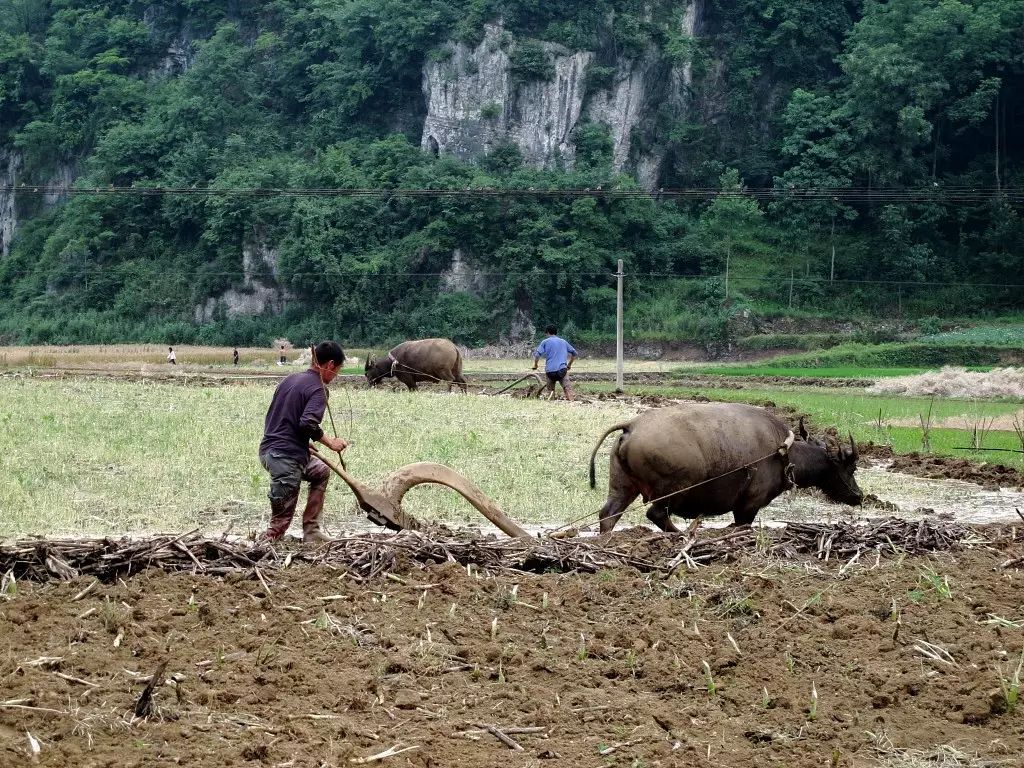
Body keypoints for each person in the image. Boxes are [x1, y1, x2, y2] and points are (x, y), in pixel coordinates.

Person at [258, 340, 349, 544]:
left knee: (321, 471)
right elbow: (307, 423)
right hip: (285, 458)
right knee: (279, 525)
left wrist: (300, 441)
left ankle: (312, 530)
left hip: (269, 451)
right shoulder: (319, 389)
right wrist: (330, 442)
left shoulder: (290, 380)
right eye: (338, 370)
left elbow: (279, 416)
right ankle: (261, 551)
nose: (335, 377)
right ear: (330, 365)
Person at [532, 325, 577, 401]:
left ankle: (551, 400)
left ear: (548, 333)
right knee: (567, 388)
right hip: (562, 370)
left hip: (550, 372)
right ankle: (571, 401)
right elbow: (574, 353)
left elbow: (537, 355)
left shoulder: (545, 342)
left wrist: (535, 365)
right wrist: (569, 365)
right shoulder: (563, 341)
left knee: (550, 390)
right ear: (555, 333)